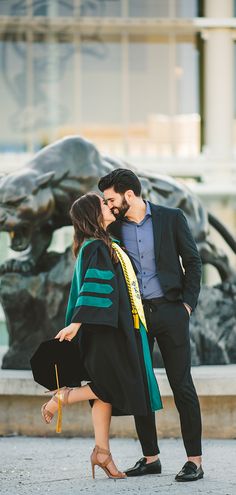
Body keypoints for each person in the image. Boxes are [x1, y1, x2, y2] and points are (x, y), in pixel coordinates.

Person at [40, 192, 162, 480]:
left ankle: (102, 452)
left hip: (112, 328)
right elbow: (95, 290)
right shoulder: (96, 247)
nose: (110, 207)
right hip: (107, 331)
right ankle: (63, 397)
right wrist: (78, 323)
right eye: (103, 205)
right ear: (92, 216)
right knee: (113, 384)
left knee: (103, 392)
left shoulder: (102, 244)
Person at [98, 169, 203, 482]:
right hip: (135, 317)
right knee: (140, 384)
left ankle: (194, 461)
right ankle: (151, 458)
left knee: (182, 384)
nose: (109, 205)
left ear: (129, 194)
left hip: (172, 311)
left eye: (111, 199)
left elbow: (193, 261)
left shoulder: (172, 218)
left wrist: (186, 306)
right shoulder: (112, 227)